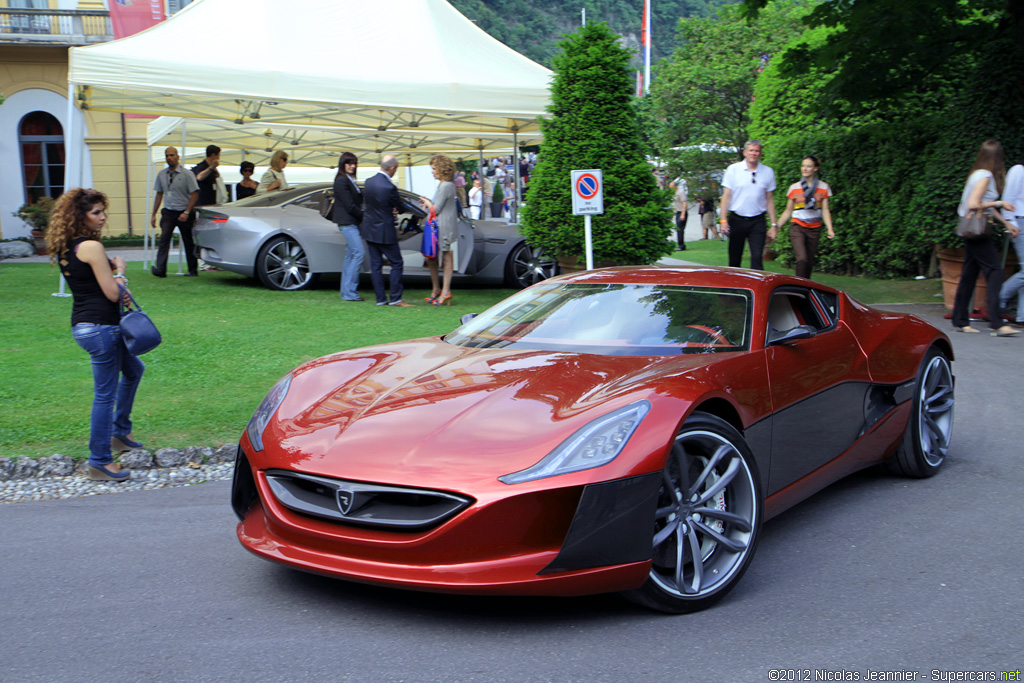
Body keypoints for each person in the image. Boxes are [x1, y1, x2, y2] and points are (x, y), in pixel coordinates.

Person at [47, 189, 144, 482]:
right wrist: (122, 271)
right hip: (102, 328)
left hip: (87, 325)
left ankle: (119, 432)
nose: (103, 218)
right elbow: (114, 293)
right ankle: (100, 461)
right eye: (96, 213)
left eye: (103, 211)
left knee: (134, 369)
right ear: (80, 216)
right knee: (104, 395)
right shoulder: (91, 247)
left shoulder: (66, 245)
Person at [952, 140, 1020, 336]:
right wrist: (1002, 202)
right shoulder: (987, 176)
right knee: (996, 271)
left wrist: (1006, 223)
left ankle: (961, 321)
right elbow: (974, 204)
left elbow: (985, 204)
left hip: (971, 229)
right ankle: (997, 323)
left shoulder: (977, 174)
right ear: (998, 158)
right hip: (978, 230)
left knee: (969, 275)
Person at [361, 155, 414, 307]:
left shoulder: (368, 182)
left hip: (370, 229)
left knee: (376, 265)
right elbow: (401, 206)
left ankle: (380, 299)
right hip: (385, 230)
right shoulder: (389, 187)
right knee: (397, 262)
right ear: (392, 168)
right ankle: (396, 298)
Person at [719, 140, 778, 270]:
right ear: (745, 152)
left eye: (756, 151)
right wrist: (723, 220)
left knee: (757, 257)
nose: (754, 153)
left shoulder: (768, 172)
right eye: (751, 150)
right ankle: (734, 287)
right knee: (735, 257)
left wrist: (774, 225)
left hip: (757, 219)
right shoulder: (733, 169)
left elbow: (769, 200)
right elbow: (726, 196)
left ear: (761, 153)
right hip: (737, 218)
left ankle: (756, 287)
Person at [775, 156, 835, 280]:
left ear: (815, 168)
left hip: (814, 228)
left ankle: (805, 286)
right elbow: (788, 211)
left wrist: (830, 229)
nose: (805, 169)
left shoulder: (823, 187)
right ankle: (798, 286)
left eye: (808, 166)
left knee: (809, 261)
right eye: (803, 166)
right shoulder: (794, 188)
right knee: (802, 258)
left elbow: (825, 210)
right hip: (798, 226)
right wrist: (776, 227)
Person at [150, 146, 199, 278]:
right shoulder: (162, 174)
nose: (169, 158)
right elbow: (159, 194)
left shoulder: (187, 174)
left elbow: (194, 194)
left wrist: (187, 212)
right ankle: (161, 269)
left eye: (172, 155)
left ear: (177, 157)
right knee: (164, 239)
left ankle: (193, 270)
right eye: (167, 156)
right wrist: (153, 214)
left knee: (188, 241)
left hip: (184, 211)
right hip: (168, 211)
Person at [421, 154, 458, 306]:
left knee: (445, 258)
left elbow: (436, 208)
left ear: (442, 169)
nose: (432, 172)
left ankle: (445, 291)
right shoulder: (443, 185)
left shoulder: (446, 186)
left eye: (434, 168)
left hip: (444, 226)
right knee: (432, 258)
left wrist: (428, 203)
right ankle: (437, 289)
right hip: (439, 226)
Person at [332, 151, 365, 302]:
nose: (352, 166)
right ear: (343, 164)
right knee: (358, 253)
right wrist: (365, 216)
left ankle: (347, 292)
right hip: (347, 222)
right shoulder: (341, 180)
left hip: (350, 222)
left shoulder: (348, 179)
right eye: (349, 163)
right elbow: (350, 205)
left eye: (354, 163)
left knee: (351, 255)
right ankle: (350, 292)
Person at [999, 156, 1024, 325]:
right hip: (1019, 221)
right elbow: (1007, 200)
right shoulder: (1018, 170)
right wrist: (1011, 224)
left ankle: (1022, 316)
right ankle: (998, 299)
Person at [670, 177, 688, 250]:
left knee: (680, 229)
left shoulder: (680, 192)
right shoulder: (673, 194)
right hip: (677, 212)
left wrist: (683, 214)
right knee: (678, 229)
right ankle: (680, 244)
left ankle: (681, 245)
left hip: (681, 212)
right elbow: (673, 205)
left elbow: (684, 203)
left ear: (675, 186)